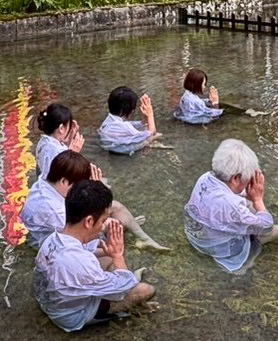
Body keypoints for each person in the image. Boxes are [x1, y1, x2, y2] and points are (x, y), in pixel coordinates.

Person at [184, 139, 278, 272]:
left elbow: (224, 199)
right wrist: (258, 200)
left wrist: (248, 195)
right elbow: (266, 227)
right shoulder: (233, 205)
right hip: (220, 249)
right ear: (236, 178)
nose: (248, 183)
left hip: (196, 236)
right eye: (247, 180)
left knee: (247, 204)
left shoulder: (206, 177)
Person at [34, 102, 168, 250]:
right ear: (61, 128)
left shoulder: (43, 143)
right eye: (69, 126)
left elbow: (59, 176)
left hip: (61, 208)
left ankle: (128, 225)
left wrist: (70, 148)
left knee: (105, 187)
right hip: (67, 222)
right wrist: (74, 155)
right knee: (112, 201)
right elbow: (68, 185)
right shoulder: (58, 153)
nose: (73, 128)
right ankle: (135, 233)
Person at [33, 180, 156, 332]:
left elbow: (86, 254)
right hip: (71, 315)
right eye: (103, 220)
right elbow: (125, 287)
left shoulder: (53, 238)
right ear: (89, 221)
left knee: (107, 259)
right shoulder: (79, 262)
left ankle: (106, 287)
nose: (104, 226)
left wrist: (108, 251)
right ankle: (120, 311)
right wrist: (118, 255)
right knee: (145, 290)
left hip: (53, 300)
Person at [21, 149, 99, 249]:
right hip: (55, 248)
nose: (80, 190)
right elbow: (86, 230)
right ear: (63, 181)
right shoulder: (54, 210)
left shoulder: (44, 182)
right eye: (78, 186)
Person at [98, 86, 160, 152]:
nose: (133, 111)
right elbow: (151, 133)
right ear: (125, 109)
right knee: (156, 136)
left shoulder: (108, 121)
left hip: (111, 147)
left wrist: (144, 120)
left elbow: (132, 125)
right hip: (123, 151)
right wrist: (150, 115)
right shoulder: (125, 127)